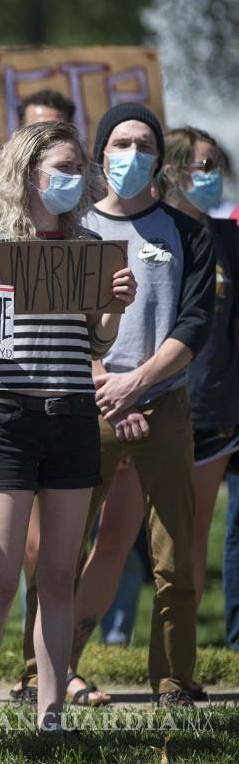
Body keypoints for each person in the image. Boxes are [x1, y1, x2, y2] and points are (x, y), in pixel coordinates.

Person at [22, 103, 215, 708]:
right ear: (100, 156)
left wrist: (140, 383)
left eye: (145, 145)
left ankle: (174, 680)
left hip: (163, 405)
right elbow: (54, 319)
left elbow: (195, 321)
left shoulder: (187, 232)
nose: (132, 155)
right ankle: (40, 674)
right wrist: (106, 382)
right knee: (62, 547)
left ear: (159, 160)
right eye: (120, 143)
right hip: (85, 405)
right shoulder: (71, 231)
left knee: (175, 554)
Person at [0, 122, 136, 750]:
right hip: (8, 414)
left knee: (59, 577)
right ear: (29, 171)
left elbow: (99, 341)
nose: (75, 177)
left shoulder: (90, 245)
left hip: (73, 416)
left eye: (80, 167)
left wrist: (114, 305)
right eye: (63, 165)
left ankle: (50, 717)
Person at [155, 126, 239, 605]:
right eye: (205, 167)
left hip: (211, 408)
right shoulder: (150, 231)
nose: (213, 177)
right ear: (172, 172)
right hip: (146, 402)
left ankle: (175, 663)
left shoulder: (227, 236)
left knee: (190, 539)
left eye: (218, 168)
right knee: (118, 538)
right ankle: (64, 657)